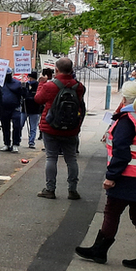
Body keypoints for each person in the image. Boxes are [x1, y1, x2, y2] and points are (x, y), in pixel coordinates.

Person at [75, 80, 136, 271]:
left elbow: (121, 151)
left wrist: (111, 176)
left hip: (127, 175)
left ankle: (100, 250)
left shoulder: (128, 120)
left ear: (124, 98)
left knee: (111, 212)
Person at [35, 57, 86, 199]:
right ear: (72, 70)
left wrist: (41, 84)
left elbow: (38, 100)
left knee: (51, 157)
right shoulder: (79, 86)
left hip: (50, 126)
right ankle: (72, 190)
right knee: (71, 159)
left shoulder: (50, 86)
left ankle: (50, 189)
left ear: (56, 70)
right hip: (71, 128)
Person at [0, 68, 24, 153]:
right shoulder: (0, 83)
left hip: (15, 108)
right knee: (5, 126)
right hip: (3, 108)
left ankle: (15, 144)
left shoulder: (17, 83)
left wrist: (23, 87)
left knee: (17, 126)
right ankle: (7, 143)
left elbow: (23, 94)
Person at [22, 71, 43, 149]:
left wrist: (29, 98)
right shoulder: (25, 85)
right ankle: (17, 139)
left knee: (33, 127)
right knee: (19, 124)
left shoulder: (38, 86)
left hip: (35, 110)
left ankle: (31, 142)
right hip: (25, 109)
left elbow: (37, 97)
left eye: (30, 78)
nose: (29, 79)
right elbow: (22, 94)